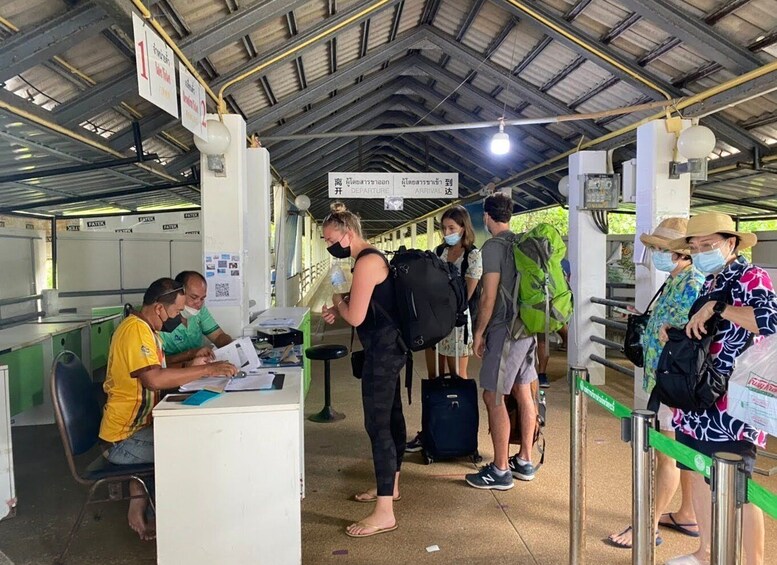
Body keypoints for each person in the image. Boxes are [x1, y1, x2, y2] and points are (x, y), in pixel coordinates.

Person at [664, 212, 776, 565]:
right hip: (700, 399)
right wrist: (679, 330)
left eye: (708, 245)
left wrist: (721, 307)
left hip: (732, 404)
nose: (700, 251)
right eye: (695, 247)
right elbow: (711, 331)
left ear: (730, 243)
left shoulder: (751, 276)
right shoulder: (710, 281)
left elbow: (769, 321)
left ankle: (754, 562)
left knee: (739, 490)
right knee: (697, 471)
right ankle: (706, 552)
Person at [99, 277, 237, 540]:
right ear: (160, 308)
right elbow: (153, 379)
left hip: (136, 429)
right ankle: (177, 532)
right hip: (122, 439)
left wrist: (191, 360)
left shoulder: (145, 329)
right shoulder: (135, 330)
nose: (176, 318)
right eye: (175, 312)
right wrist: (207, 369)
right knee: (190, 449)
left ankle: (144, 507)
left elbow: (159, 367)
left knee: (189, 437)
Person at [606, 218, 704, 549]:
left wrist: (665, 331)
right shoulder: (676, 281)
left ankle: (647, 526)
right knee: (682, 451)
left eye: (663, 250)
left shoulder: (693, 283)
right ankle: (687, 512)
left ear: (684, 253)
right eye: (655, 249)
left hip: (674, 383)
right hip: (666, 379)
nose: (656, 255)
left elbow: (688, 334)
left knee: (666, 455)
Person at [321, 202, 406, 538]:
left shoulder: (368, 261)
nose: (330, 245)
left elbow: (355, 316)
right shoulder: (369, 259)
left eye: (331, 239)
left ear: (349, 233)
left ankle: (385, 512)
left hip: (383, 354)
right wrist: (341, 303)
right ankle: (390, 487)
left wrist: (337, 301)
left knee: (378, 426)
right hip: (388, 349)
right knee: (392, 419)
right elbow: (366, 305)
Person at [465, 192, 538, 490]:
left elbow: (489, 296)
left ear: (486, 217)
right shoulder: (521, 242)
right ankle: (524, 460)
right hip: (529, 329)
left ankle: (499, 469)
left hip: (506, 332)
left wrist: (479, 333)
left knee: (493, 396)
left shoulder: (492, 247)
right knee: (523, 392)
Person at [408, 206, 483, 452]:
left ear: (463, 228)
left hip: (458, 323)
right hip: (434, 323)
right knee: (433, 379)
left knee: (458, 378)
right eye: (444, 228)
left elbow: (468, 293)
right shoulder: (439, 252)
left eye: (452, 228)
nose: (447, 232)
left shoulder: (473, 255)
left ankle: (458, 430)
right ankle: (431, 430)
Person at [159, 271, 234, 366]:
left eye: (202, 298)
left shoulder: (201, 311)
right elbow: (158, 363)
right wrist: (190, 355)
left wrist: (232, 348)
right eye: (193, 297)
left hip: (199, 371)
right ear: (179, 294)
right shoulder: (161, 318)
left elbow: (218, 336)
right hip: (175, 373)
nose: (198, 303)